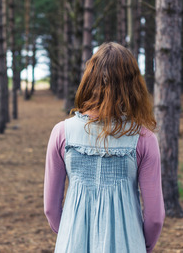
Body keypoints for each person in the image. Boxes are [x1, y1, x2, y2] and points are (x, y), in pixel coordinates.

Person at [44, 42, 165, 253]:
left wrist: (69, 233)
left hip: (72, 243)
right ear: (133, 85)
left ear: (90, 80)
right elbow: (155, 217)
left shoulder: (62, 132)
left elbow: (50, 208)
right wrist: (141, 245)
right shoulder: (143, 137)